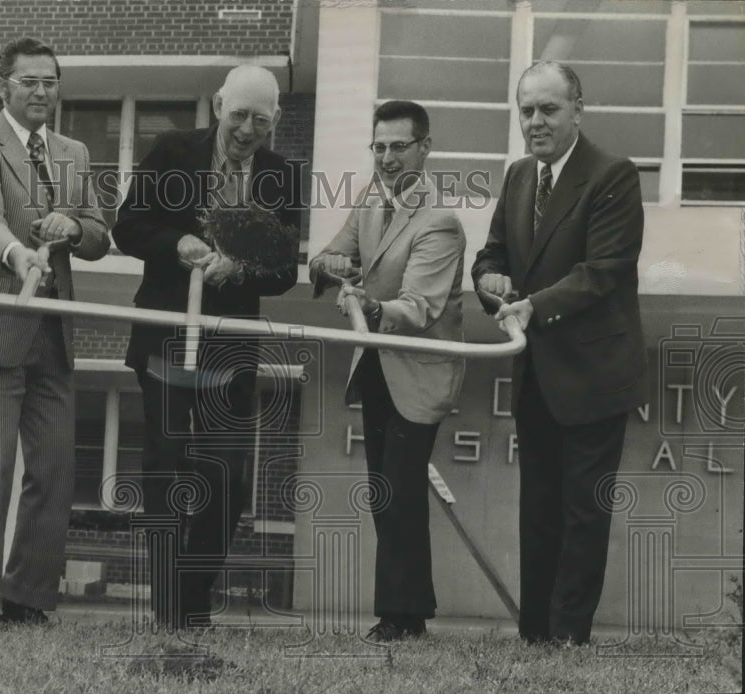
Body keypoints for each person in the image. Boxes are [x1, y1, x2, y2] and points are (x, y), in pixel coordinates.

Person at [112, 65, 301, 630]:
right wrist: (180, 243)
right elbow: (128, 226)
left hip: (229, 351)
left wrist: (237, 269)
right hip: (166, 340)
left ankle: (193, 599)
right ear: (219, 105)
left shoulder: (281, 175)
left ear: (275, 121)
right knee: (165, 471)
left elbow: (283, 270)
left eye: (260, 121)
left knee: (226, 480)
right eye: (238, 114)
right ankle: (168, 609)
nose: (247, 130)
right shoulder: (172, 149)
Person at [472, 61, 647, 645]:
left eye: (549, 109)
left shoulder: (614, 176)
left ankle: (569, 637)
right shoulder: (519, 175)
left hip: (594, 376)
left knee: (582, 514)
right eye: (526, 110)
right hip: (537, 374)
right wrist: (490, 280)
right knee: (539, 510)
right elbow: (492, 254)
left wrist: (529, 304)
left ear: (578, 109)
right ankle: (535, 636)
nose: (536, 121)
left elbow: (603, 272)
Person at [0, 37, 109, 625]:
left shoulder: (75, 150)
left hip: (54, 331)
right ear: (3, 87)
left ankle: (27, 597)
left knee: (55, 470)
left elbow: (98, 236)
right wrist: (19, 253)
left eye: (51, 81)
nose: (42, 92)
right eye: (29, 82)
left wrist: (72, 226)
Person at [309, 100, 465, 642]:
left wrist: (370, 308)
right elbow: (330, 255)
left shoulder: (440, 221)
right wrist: (326, 266)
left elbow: (419, 307)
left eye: (399, 146)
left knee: (398, 487)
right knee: (384, 489)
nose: (387, 156)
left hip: (418, 372)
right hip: (375, 365)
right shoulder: (370, 199)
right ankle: (407, 611)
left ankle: (401, 616)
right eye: (379, 146)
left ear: (425, 148)